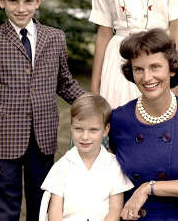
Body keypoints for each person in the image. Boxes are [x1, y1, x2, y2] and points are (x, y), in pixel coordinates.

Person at [0, 0, 85, 221]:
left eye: (27, 1)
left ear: (38, 1)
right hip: (3, 141)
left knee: (42, 205)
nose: (20, 8)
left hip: (43, 139)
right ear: (1, 1)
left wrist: (92, 103)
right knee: (4, 210)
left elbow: (64, 83)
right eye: (13, 1)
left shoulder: (55, 38)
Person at [109, 29, 178, 220]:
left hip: (175, 215)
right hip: (128, 214)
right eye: (139, 69)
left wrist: (148, 188)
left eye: (155, 67)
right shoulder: (119, 118)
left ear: (172, 68)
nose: (147, 77)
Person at [40, 93, 133, 221]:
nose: (85, 136)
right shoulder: (61, 167)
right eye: (79, 129)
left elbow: (115, 210)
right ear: (71, 127)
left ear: (106, 130)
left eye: (93, 130)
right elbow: (55, 212)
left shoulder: (114, 166)